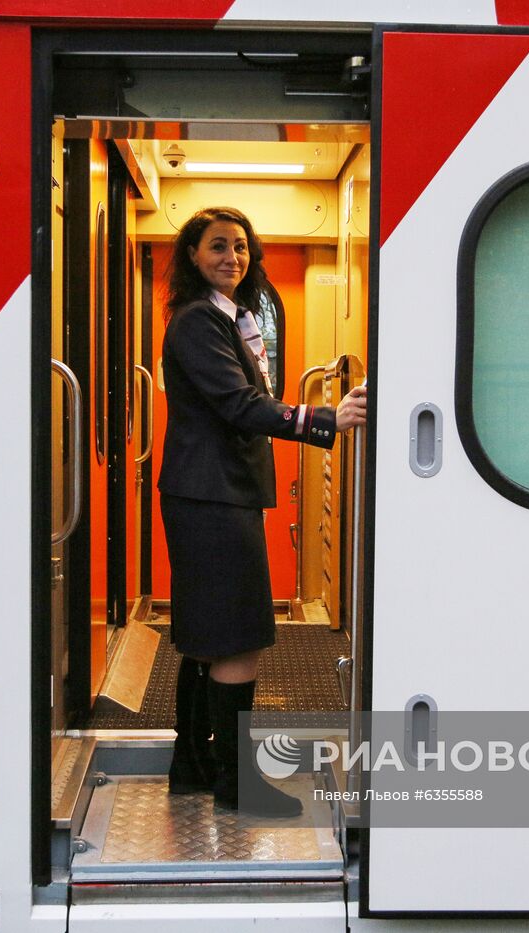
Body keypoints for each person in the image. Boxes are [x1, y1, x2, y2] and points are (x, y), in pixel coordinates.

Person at [158, 206, 367, 817]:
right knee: (238, 638)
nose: (232, 257)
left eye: (241, 247)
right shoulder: (201, 321)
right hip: (213, 496)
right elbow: (242, 406)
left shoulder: (228, 318)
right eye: (218, 246)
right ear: (193, 256)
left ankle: (193, 766)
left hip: (212, 494)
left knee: (207, 638)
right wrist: (327, 417)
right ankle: (236, 784)